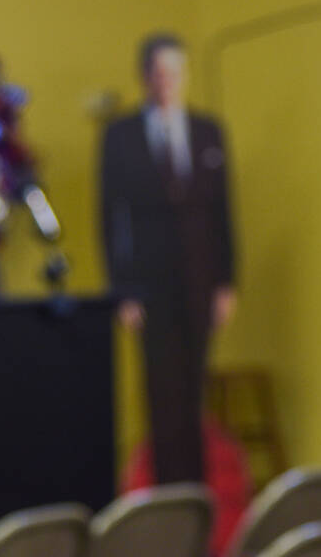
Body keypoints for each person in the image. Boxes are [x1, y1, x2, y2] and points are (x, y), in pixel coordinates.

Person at [100, 33, 236, 484]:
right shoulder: (119, 138)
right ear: (145, 77)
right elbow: (109, 219)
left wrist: (226, 281)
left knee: (194, 392)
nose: (169, 82)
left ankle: (197, 496)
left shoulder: (206, 132)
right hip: (148, 285)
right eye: (160, 73)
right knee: (161, 394)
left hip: (198, 281)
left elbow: (223, 212)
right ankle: (166, 498)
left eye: (176, 72)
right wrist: (121, 292)